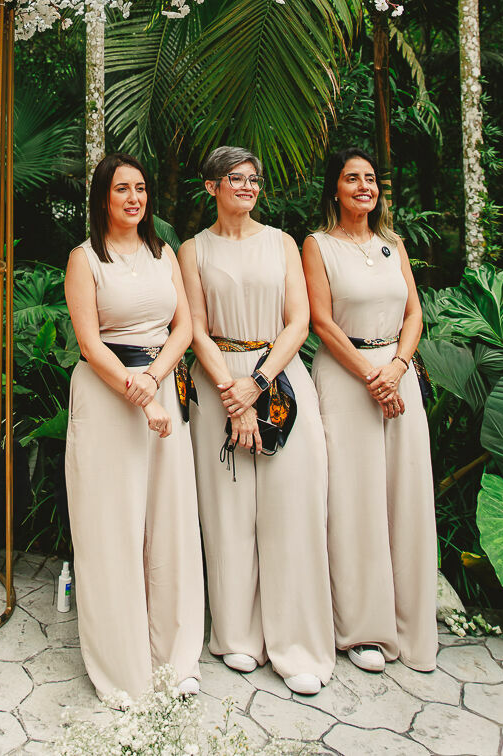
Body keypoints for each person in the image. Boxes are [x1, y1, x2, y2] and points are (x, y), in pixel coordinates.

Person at [177, 146, 334, 697]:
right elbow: (194, 325)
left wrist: (256, 386)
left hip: (280, 379)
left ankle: (297, 644)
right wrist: (231, 396)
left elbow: (300, 321)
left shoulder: (284, 243)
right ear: (211, 187)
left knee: (293, 511)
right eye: (234, 179)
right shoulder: (192, 250)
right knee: (228, 513)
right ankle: (237, 635)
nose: (246, 187)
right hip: (216, 381)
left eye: (253, 180)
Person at [64, 153, 204, 704]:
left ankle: (176, 656)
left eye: (141, 188)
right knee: (111, 529)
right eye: (121, 189)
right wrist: (136, 390)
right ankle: (121, 666)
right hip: (107, 397)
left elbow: (185, 325)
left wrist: (154, 380)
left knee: (170, 524)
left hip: (161, 385)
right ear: (103, 198)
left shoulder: (162, 252)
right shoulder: (84, 259)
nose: (133, 198)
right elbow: (90, 343)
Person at [302, 147, 438, 674]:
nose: (364, 186)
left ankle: (409, 622)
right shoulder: (317, 246)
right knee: (354, 500)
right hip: (346, 376)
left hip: (399, 377)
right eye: (352, 178)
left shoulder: (392, 244)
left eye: (371, 178)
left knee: (404, 495)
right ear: (334, 188)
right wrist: (371, 376)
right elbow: (321, 321)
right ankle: (361, 629)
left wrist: (398, 367)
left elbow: (414, 312)